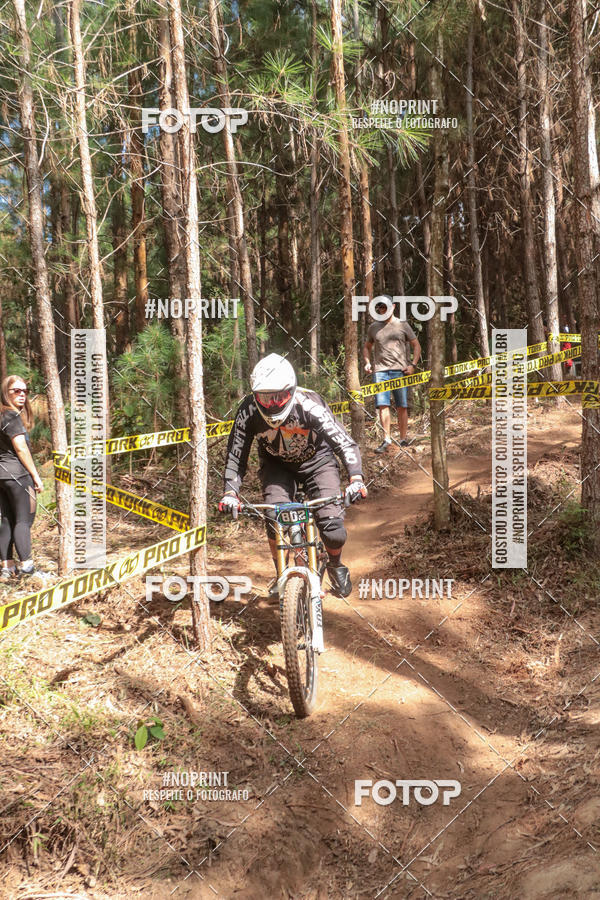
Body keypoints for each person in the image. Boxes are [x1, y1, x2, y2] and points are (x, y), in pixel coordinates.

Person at [218, 353, 367, 598]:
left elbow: (344, 442)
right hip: (277, 467)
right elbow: (236, 453)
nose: (273, 404)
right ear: (256, 395)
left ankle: (335, 563)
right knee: (274, 517)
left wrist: (356, 479)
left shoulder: (309, 404)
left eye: (280, 396)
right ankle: (282, 573)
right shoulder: (248, 411)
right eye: (265, 397)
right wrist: (230, 493)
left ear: (291, 390)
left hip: (317, 463)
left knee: (333, 531)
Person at [0, 375, 46, 582]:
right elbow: (20, 447)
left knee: (6, 520)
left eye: (25, 391)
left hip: (2, 476)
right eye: (16, 391)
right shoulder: (10, 416)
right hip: (18, 475)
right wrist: (35, 475)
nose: (22, 395)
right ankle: (27, 567)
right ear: (5, 392)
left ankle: (7, 568)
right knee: (23, 519)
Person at [362, 296, 421, 453]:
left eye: (385, 307)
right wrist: (367, 362)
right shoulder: (374, 327)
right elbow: (367, 346)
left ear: (393, 307)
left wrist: (413, 365)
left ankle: (403, 440)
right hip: (380, 371)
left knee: (402, 405)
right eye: (380, 307)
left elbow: (416, 345)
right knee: (383, 405)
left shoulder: (402, 325)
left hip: (399, 370)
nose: (383, 310)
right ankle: (386, 440)